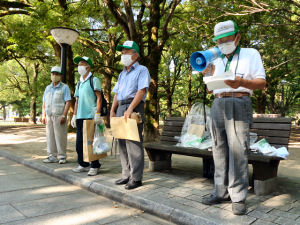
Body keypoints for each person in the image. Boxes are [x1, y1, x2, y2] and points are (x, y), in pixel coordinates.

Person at [201, 20, 266, 215]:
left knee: (238, 150)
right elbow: (209, 88)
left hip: (239, 101)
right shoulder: (214, 58)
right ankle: (220, 191)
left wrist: (242, 82)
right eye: (219, 41)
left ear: (237, 37)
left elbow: (261, 82)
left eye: (227, 39)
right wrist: (206, 74)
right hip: (218, 103)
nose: (223, 44)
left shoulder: (250, 53)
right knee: (218, 149)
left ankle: (238, 197)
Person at [111, 40, 150, 190]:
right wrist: (113, 110)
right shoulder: (122, 74)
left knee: (133, 143)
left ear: (136, 55)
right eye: (122, 52)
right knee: (121, 143)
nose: (123, 54)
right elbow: (117, 93)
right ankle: (125, 175)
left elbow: (141, 91)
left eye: (126, 52)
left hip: (134, 106)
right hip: (121, 106)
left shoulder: (142, 70)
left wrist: (130, 109)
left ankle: (136, 178)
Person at [71, 56, 104, 176]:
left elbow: (99, 97)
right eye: (78, 64)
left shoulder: (94, 80)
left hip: (91, 115)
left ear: (88, 66)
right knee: (79, 143)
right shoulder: (79, 82)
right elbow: (77, 100)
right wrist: (74, 115)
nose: (79, 66)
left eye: (81, 64)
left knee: (91, 142)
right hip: (80, 116)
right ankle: (83, 164)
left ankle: (95, 165)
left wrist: (98, 113)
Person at [42, 66, 71, 164]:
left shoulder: (65, 87)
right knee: (50, 136)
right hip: (49, 115)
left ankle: (62, 156)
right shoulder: (48, 88)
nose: (54, 76)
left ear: (60, 76)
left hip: (59, 116)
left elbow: (68, 102)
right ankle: (52, 156)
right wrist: (43, 115)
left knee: (60, 137)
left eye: (56, 74)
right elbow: (44, 102)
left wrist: (64, 115)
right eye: (52, 74)